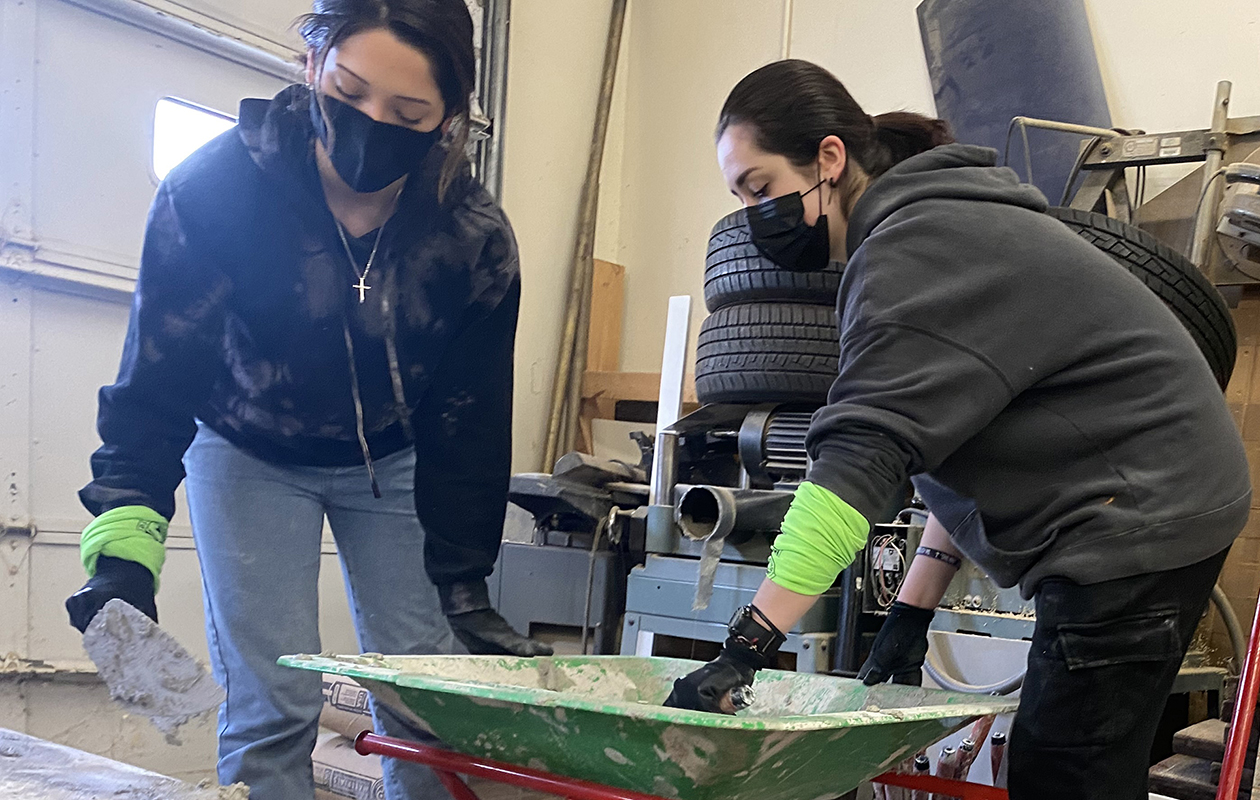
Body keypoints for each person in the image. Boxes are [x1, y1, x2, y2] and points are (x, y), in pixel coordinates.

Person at [665, 59, 1250, 800]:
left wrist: (746, 647)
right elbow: (955, 450)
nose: (755, 217)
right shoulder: (934, 225)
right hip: (1157, 500)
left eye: (760, 188)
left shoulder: (913, 248)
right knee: (1076, 764)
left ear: (830, 159)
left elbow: (854, 468)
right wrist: (911, 610)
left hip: (1143, 514)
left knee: (1065, 771)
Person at [64, 1, 551, 797]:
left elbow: (471, 422)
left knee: (424, 699)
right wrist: (123, 541)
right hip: (248, 447)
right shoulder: (214, 192)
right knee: (273, 702)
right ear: (311, 66)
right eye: (350, 90)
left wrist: (464, 579)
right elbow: (154, 382)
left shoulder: (473, 239)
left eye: (408, 112)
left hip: (398, 461)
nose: (371, 123)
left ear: (450, 120)